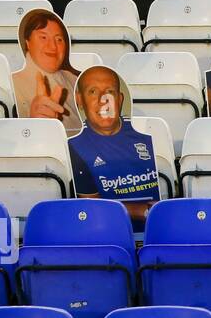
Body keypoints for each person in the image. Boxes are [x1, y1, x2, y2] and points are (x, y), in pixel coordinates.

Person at [67, 66, 160, 224]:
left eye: (110, 91)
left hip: (159, 230)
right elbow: (92, 207)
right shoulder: (74, 147)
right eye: (93, 91)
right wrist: (142, 210)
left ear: (120, 99)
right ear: (80, 100)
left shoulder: (148, 134)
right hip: (108, 234)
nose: (104, 100)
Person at [11, 10, 81, 134]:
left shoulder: (73, 79)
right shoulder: (10, 84)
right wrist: (34, 124)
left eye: (59, 39)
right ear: (27, 42)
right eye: (43, 37)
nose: (53, 47)